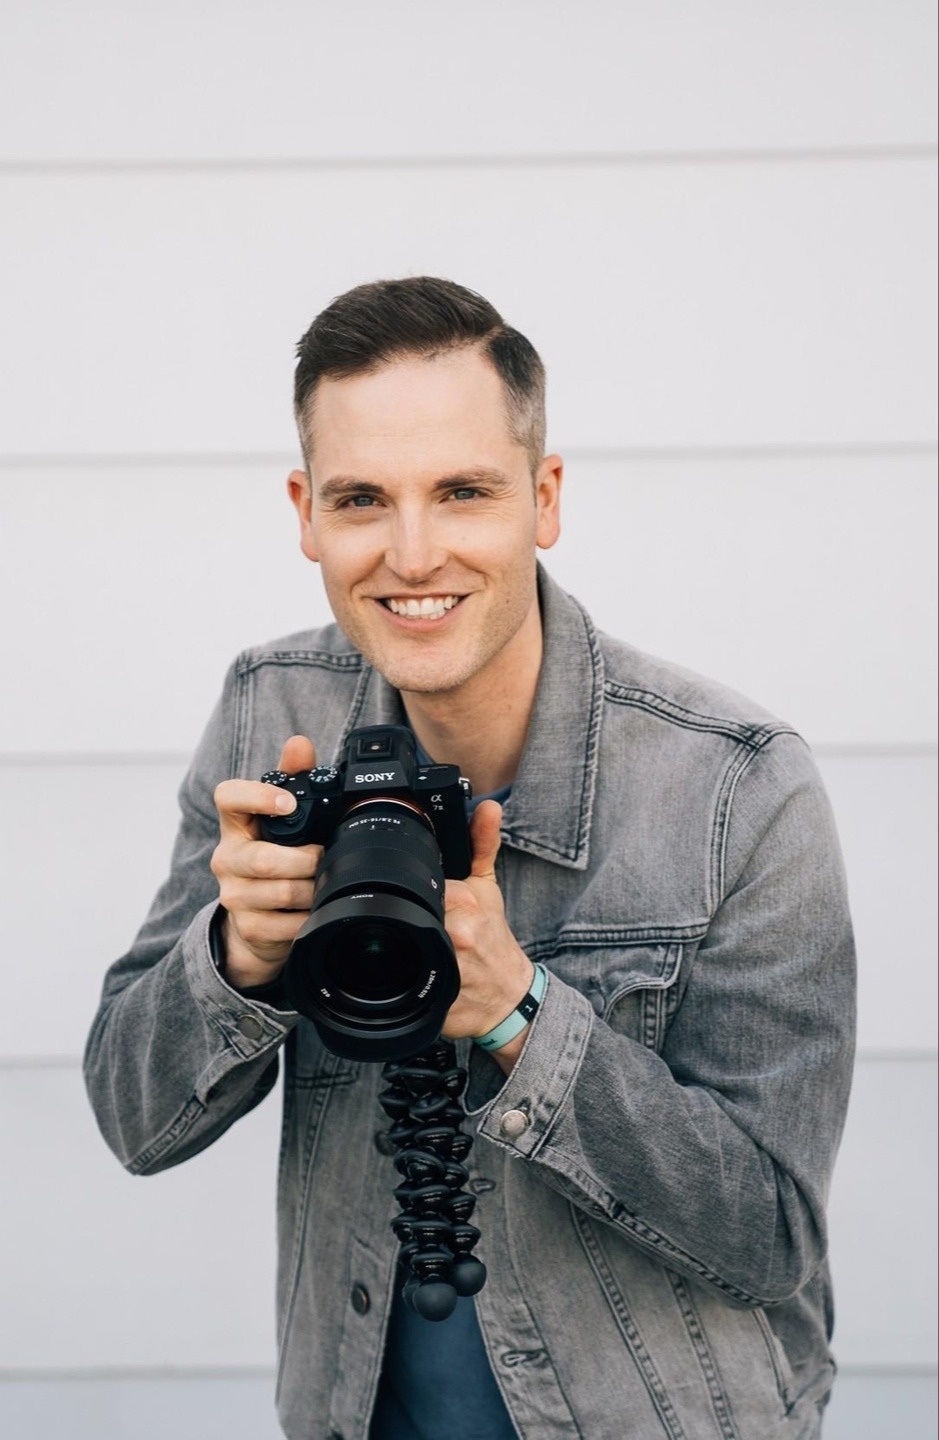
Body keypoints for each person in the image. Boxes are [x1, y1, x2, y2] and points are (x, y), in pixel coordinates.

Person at [85, 277, 856, 1440]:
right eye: (361, 499)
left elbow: (771, 1234)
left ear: (543, 499)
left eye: (462, 491)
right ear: (305, 513)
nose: (412, 554)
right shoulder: (271, 714)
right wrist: (237, 961)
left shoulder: (735, 786)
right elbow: (131, 1117)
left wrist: (520, 1016)